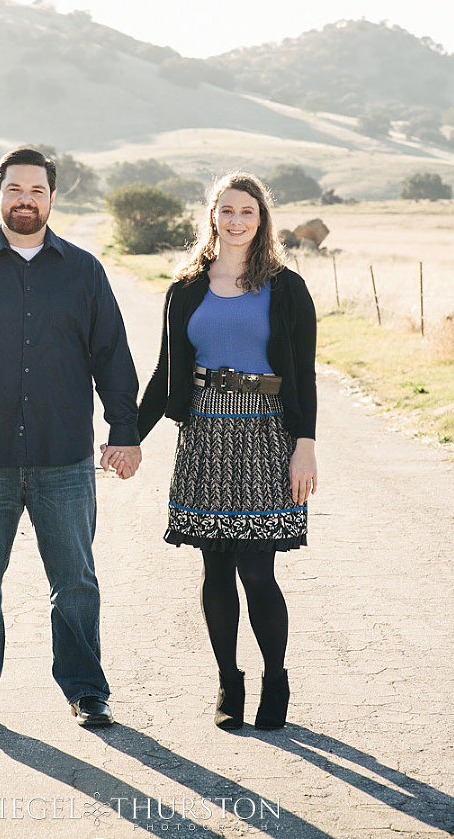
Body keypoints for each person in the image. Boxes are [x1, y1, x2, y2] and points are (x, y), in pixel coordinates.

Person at [0, 147, 142, 733]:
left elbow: (112, 355)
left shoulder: (83, 272)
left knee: (75, 581)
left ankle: (86, 690)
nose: (25, 199)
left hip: (62, 456)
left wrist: (125, 431)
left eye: (37, 190)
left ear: (51, 198)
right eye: (15, 189)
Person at [137, 172, 317, 730]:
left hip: (266, 436)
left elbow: (303, 375)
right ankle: (227, 681)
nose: (237, 221)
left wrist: (305, 446)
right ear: (212, 217)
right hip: (205, 438)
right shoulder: (185, 288)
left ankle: (276, 679)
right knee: (215, 568)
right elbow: (166, 372)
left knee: (257, 570)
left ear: (262, 220)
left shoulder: (286, 287)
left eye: (248, 212)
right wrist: (127, 436)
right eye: (227, 210)